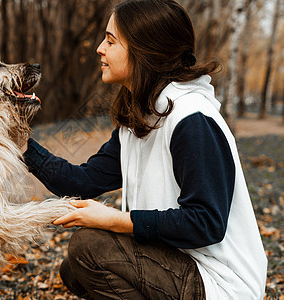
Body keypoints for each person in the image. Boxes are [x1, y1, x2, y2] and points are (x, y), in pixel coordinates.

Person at [23, 0, 267, 299]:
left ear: (144, 52)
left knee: (89, 248)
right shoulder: (141, 116)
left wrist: (116, 220)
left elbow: (206, 223)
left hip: (219, 281)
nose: (100, 48)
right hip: (178, 263)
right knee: (74, 270)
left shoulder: (192, 119)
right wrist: (21, 142)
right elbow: (81, 181)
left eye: (111, 41)